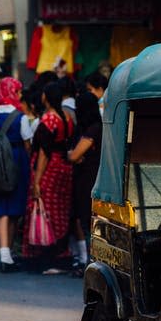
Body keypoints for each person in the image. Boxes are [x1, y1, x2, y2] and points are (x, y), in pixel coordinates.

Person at [0, 77, 33, 272]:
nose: (20, 95)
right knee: (12, 211)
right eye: (18, 91)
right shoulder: (20, 117)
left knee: (2, 210)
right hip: (16, 163)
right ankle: (6, 254)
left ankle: (6, 253)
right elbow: (28, 143)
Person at [23, 82, 74, 274]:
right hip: (64, 168)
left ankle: (44, 257)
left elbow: (44, 153)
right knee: (61, 210)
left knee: (43, 209)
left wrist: (37, 180)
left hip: (49, 169)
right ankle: (61, 254)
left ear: (46, 97)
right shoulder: (67, 118)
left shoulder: (48, 120)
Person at [67, 92, 102, 276]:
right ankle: (90, 260)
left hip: (87, 179)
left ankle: (89, 261)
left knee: (87, 220)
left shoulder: (92, 130)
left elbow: (74, 155)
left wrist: (70, 154)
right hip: (94, 177)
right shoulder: (99, 127)